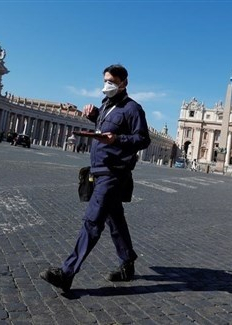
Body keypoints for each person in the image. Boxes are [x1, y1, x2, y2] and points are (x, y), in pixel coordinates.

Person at [40, 64, 151, 292]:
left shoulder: (133, 109)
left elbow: (142, 139)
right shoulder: (106, 107)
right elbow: (103, 131)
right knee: (115, 219)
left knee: (92, 221)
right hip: (98, 169)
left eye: (111, 81)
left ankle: (67, 273)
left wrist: (117, 140)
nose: (107, 85)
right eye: (105, 80)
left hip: (114, 172)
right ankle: (127, 263)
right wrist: (93, 117)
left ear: (124, 83)